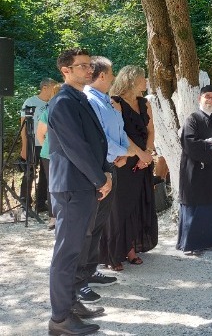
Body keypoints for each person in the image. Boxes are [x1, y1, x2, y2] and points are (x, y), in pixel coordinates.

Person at [77, 57, 152, 303]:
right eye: (110, 73)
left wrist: (129, 154)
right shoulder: (94, 100)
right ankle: (81, 279)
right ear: (102, 75)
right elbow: (101, 136)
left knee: (101, 221)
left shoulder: (106, 101)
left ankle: (91, 269)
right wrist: (125, 154)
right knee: (93, 223)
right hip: (105, 165)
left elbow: (119, 132)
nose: (113, 77)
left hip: (117, 162)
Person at [47, 48, 112, 336]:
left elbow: (96, 142)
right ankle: (60, 318)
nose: (89, 70)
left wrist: (106, 171)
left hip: (84, 185)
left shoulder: (79, 98)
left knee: (79, 249)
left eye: (89, 65)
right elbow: (76, 148)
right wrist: (100, 179)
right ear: (66, 70)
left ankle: (71, 303)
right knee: (67, 253)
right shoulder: (62, 102)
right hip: (72, 187)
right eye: (82, 66)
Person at [102, 65, 158, 271]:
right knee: (120, 207)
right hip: (124, 159)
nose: (146, 82)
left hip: (143, 160)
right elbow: (120, 134)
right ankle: (113, 252)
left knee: (137, 203)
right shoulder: (115, 102)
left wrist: (147, 154)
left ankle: (131, 248)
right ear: (132, 80)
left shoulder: (145, 103)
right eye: (143, 78)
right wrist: (139, 153)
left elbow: (151, 130)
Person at [177, 85, 212, 254]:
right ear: (199, 99)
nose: (210, 100)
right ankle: (193, 243)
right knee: (197, 203)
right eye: (207, 96)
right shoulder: (192, 119)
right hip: (196, 170)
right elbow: (189, 143)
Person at [20, 77, 56, 212]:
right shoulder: (30, 102)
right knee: (29, 173)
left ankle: (40, 203)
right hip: (32, 143)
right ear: (45, 88)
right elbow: (23, 126)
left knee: (46, 174)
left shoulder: (53, 103)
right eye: (53, 88)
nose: (54, 91)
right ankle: (25, 203)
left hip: (47, 144)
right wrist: (24, 146)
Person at [36, 82, 62, 229]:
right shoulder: (48, 111)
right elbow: (40, 134)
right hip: (49, 155)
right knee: (52, 184)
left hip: (66, 154)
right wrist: (48, 148)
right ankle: (53, 217)